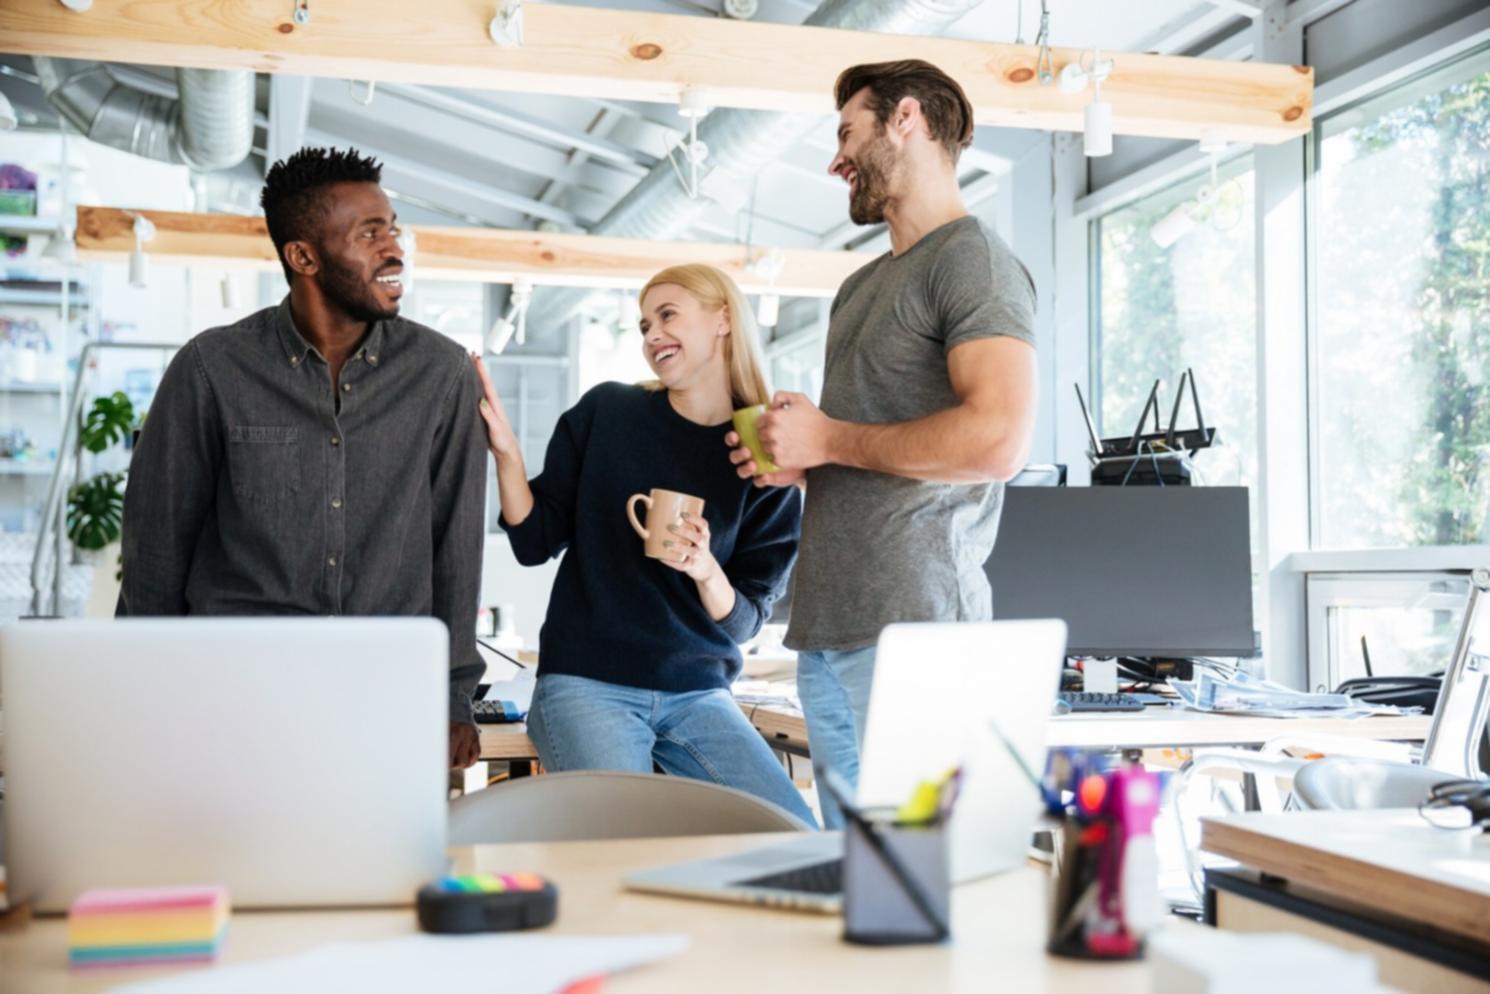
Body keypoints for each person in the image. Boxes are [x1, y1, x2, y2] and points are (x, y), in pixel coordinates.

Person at [727, 60, 1039, 827]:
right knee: (858, 882)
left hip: (918, 632)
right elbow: (871, 452)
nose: (836, 160)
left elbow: (999, 440)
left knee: (922, 878)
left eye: (846, 132)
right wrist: (805, 461)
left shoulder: (975, 262)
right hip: (829, 631)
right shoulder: (859, 288)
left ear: (905, 120)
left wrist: (830, 436)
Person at [118, 147, 489, 770]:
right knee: (237, 863)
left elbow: (455, 542)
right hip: (234, 690)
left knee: (381, 869)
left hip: (386, 691)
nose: (394, 248)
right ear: (303, 256)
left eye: (392, 228)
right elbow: (156, 543)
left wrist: (454, 698)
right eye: (370, 233)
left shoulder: (441, 372)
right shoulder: (212, 368)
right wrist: (143, 692)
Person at [475, 264, 814, 825]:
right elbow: (534, 541)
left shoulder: (762, 451)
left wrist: (707, 571)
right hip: (588, 684)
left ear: (723, 319)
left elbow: (747, 620)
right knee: (622, 838)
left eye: (668, 316)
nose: (652, 334)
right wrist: (508, 456)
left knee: (794, 833)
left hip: (699, 694)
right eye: (643, 325)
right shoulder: (608, 412)